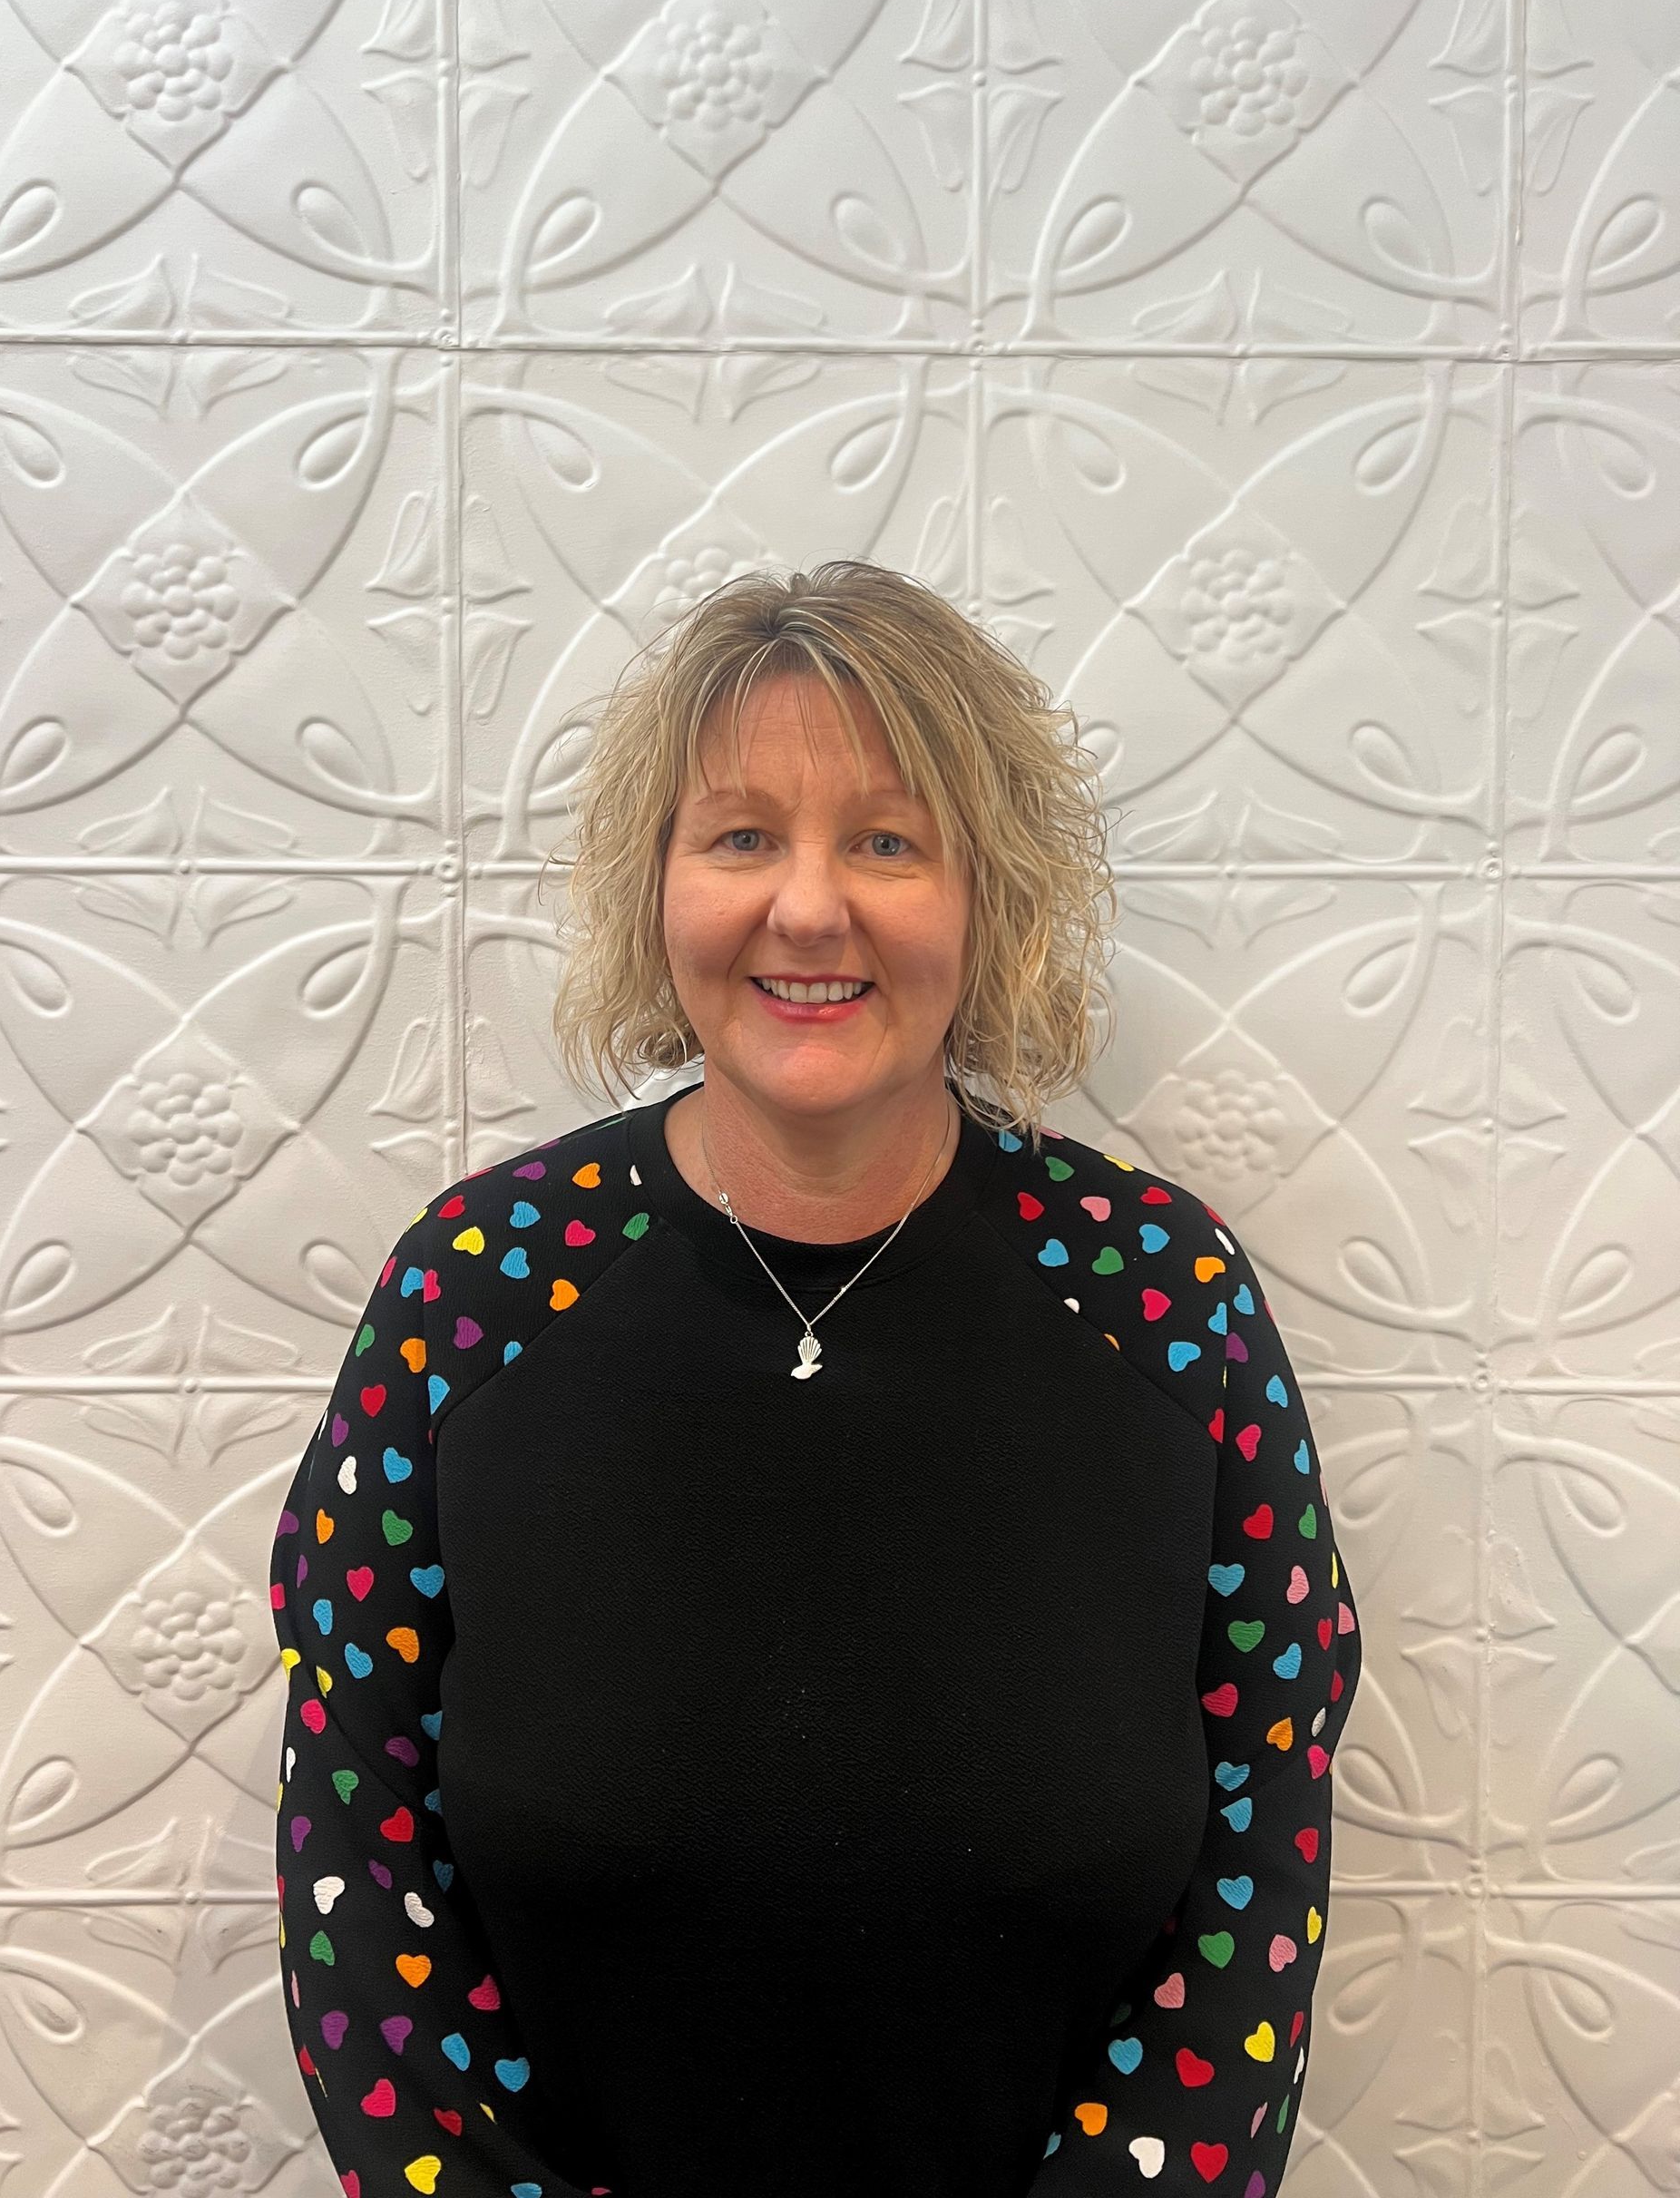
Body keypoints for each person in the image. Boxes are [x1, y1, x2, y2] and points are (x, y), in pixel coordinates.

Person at [269, 559, 1364, 2198]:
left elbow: (1261, 1838)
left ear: (986, 890)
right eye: (739, 836)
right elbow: (359, 1852)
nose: (806, 906)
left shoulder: (1160, 1298)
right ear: (658, 886)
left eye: (885, 839)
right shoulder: (477, 1289)